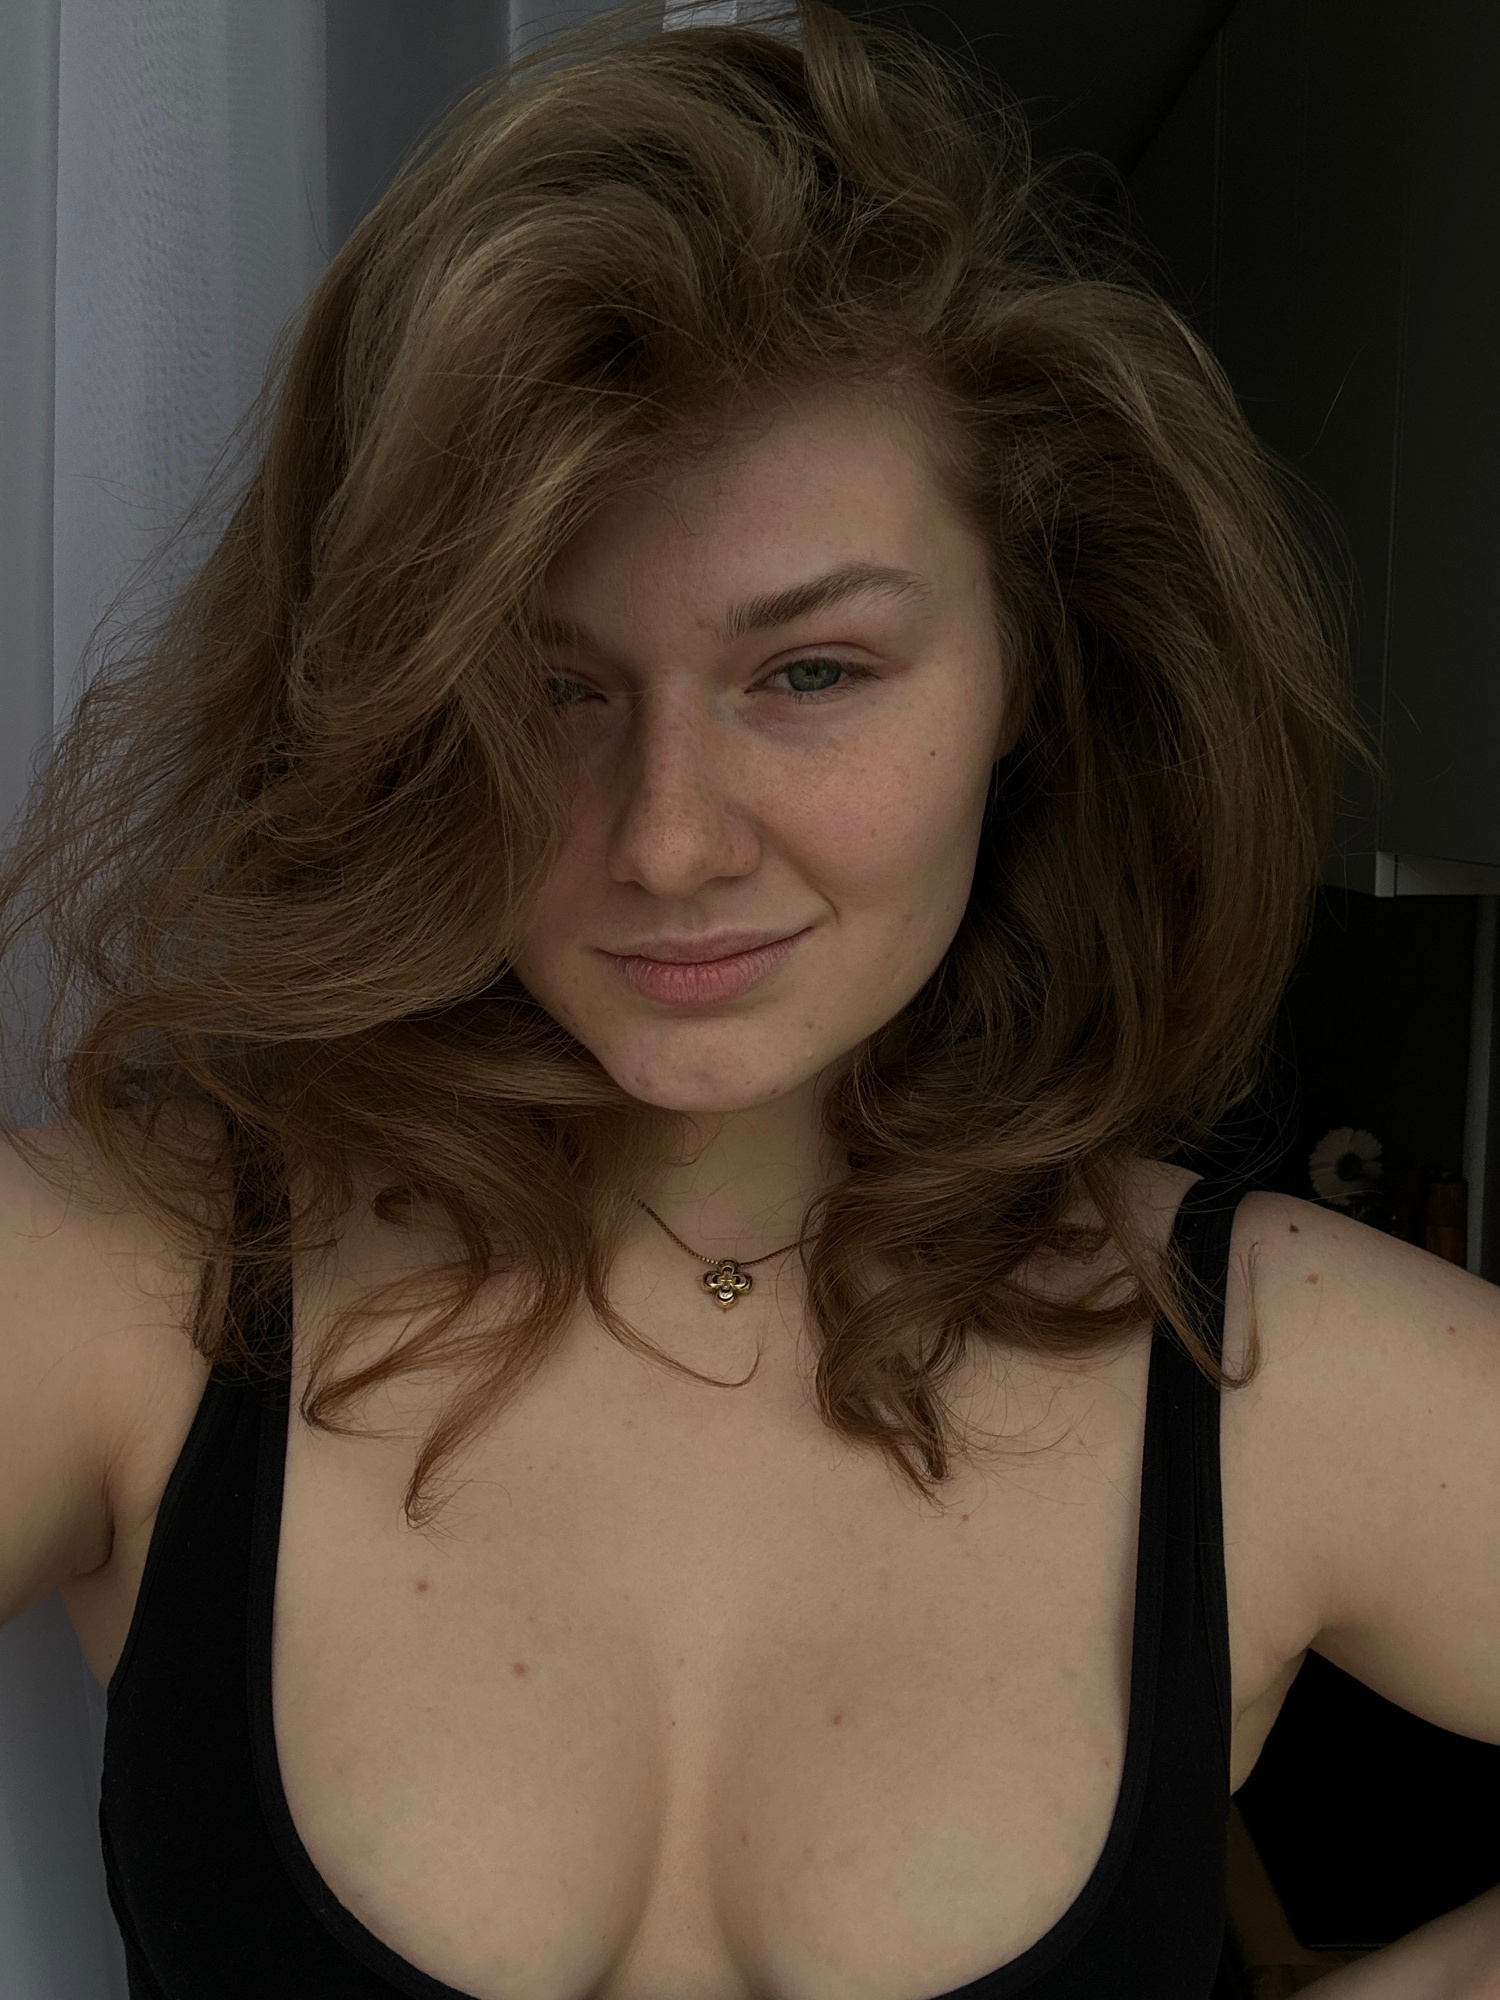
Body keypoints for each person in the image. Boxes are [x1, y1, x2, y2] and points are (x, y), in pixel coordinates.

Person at [1, 3, 1496, 1996]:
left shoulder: (1269, 1370)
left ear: (1030, 671)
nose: (669, 839)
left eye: (810, 673)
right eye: (550, 687)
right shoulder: (126, 1284)